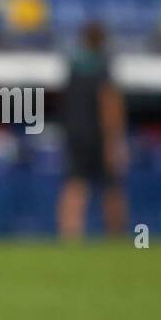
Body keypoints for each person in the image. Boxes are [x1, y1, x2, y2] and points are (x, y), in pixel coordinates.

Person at [56, 21, 128, 240]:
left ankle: (70, 236)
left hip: (76, 134)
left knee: (75, 184)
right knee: (112, 187)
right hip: (99, 135)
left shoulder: (73, 67)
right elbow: (109, 104)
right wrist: (114, 141)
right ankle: (116, 236)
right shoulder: (102, 68)